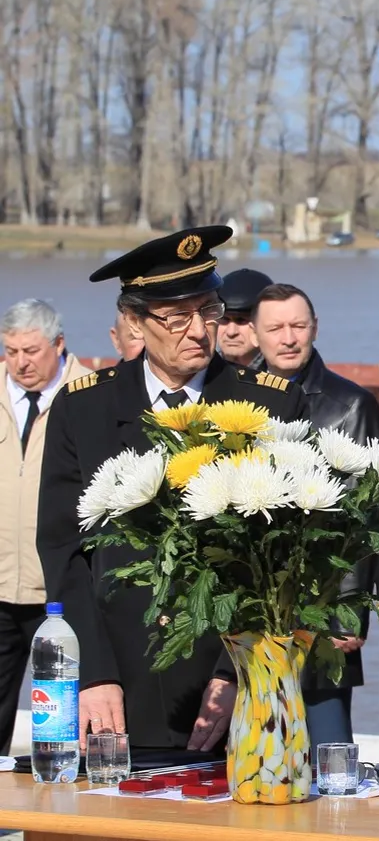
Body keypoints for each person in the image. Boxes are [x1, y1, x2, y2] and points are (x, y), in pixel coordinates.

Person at [37, 226, 305, 749]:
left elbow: (287, 557)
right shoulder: (85, 409)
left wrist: (237, 670)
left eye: (208, 310)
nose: (199, 331)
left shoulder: (270, 405)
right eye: (177, 317)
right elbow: (64, 550)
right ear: (134, 321)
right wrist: (92, 672)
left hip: (235, 682)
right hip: (120, 677)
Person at [253, 282, 379, 750]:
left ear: (315, 328)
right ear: (255, 333)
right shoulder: (234, 396)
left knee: (327, 744)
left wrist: (347, 614)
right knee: (258, 741)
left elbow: (362, 516)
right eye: (275, 328)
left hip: (322, 596)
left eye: (298, 325)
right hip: (252, 597)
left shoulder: (351, 404)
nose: (288, 338)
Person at [0, 300, 93, 754]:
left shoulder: (88, 395)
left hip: (61, 592)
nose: (20, 363)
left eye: (31, 351)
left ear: (58, 344)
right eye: (11, 351)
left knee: (64, 721)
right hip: (0, 586)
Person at [216, 268, 272, 369]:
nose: (231, 332)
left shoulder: (284, 373)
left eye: (241, 320)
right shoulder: (199, 372)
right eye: (224, 319)